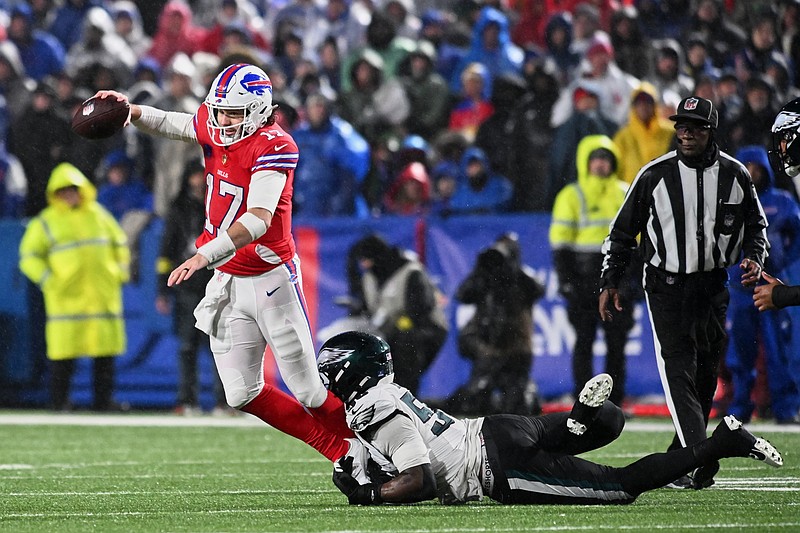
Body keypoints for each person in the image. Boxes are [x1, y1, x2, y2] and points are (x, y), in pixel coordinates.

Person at [94, 63, 360, 465]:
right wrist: (131, 112)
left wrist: (205, 254)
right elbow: (175, 123)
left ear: (257, 109)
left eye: (233, 112)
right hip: (229, 279)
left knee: (307, 390)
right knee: (241, 393)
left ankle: (379, 446)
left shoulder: (276, 144)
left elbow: (258, 218)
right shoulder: (216, 123)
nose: (223, 120)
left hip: (271, 278)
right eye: (219, 110)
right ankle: (340, 451)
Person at [318, 331, 782, 506]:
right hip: (496, 427)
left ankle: (724, 441)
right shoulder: (384, 396)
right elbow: (378, 449)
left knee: (620, 486)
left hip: (496, 466)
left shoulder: (375, 410)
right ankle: (582, 420)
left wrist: (369, 496)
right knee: (611, 422)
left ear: (346, 376)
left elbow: (417, 478)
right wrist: (352, 468)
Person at [598, 96, 769, 490]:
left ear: (711, 131)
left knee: (707, 374)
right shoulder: (654, 174)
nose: (686, 132)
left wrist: (755, 258)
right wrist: (609, 281)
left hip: (712, 285)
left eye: (695, 126)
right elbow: (622, 233)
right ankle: (702, 457)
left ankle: (682, 455)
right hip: (666, 286)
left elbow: (756, 226)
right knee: (679, 368)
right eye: (681, 125)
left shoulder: (736, 174)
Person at [18, 163, 130, 412]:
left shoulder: (99, 215)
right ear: (55, 193)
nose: (69, 194)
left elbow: (119, 243)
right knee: (63, 357)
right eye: (64, 190)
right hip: (66, 300)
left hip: (101, 296)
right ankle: (60, 402)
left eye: (73, 189)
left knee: (104, 355)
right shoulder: (46, 222)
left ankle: (103, 403)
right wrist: (48, 279)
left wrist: (118, 271)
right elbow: (28, 256)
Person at [550, 135, 637, 408]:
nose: (601, 164)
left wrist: (632, 279)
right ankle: (583, 400)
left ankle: (615, 400)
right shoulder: (571, 195)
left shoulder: (626, 192)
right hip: (583, 278)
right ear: (585, 163)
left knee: (616, 343)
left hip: (617, 278)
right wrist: (567, 281)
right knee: (584, 341)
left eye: (606, 158)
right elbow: (561, 244)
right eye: (596, 158)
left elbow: (640, 241)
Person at [726, 146, 800, 425]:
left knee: (780, 351)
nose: (752, 173)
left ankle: (786, 406)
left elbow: (798, 237)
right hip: (741, 288)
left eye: (756, 167)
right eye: (746, 167)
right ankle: (739, 407)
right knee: (739, 353)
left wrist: (786, 266)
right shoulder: (728, 201)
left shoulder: (781, 201)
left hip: (772, 284)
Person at [155, 161, 227, 416]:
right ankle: (187, 400)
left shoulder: (219, 207)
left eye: (201, 176)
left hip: (216, 285)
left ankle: (224, 401)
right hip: (187, 288)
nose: (197, 181)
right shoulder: (179, 210)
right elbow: (166, 250)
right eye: (194, 176)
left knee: (219, 346)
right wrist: (162, 289)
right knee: (187, 346)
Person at [445, 233, 544, 416]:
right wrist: (479, 269)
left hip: (517, 347)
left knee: (515, 405)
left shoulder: (522, 278)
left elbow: (538, 291)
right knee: (477, 400)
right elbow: (462, 295)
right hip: (488, 346)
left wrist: (514, 268)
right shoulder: (487, 276)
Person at [344, 234, 448, 396]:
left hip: (425, 330)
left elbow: (421, 311)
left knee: (405, 348)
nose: (364, 265)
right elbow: (367, 309)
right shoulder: (369, 277)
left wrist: (393, 329)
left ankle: (405, 400)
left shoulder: (410, 272)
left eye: (367, 259)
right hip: (389, 331)